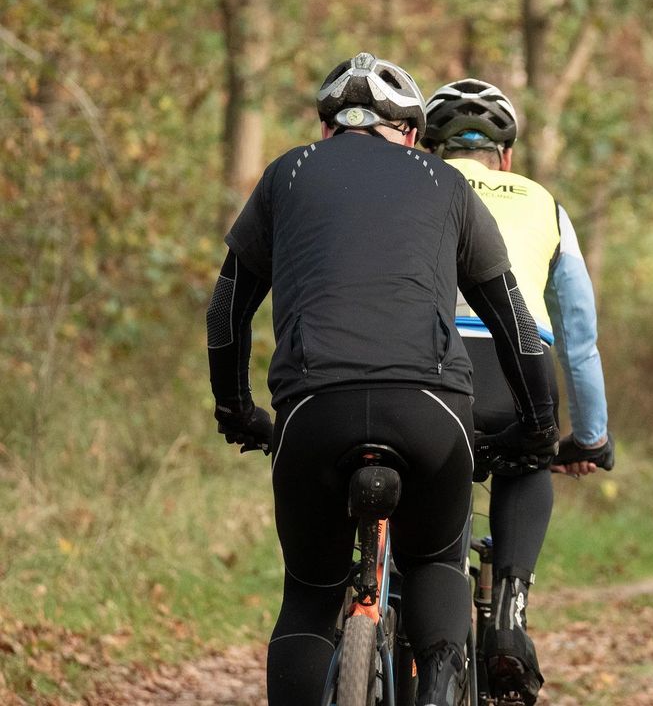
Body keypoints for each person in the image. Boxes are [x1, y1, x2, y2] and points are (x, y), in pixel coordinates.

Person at [205, 53, 559, 706]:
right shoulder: (446, 185)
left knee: (310, 596)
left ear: (326, 130)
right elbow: (515, 323)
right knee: (434, 559)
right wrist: (539, 424)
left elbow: (227, 309)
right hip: (430, 407)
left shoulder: (287, 174)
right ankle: (442, 690)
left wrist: (236, 409)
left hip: (315, 407)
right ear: (413, 135)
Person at [421, 78, 613, 706]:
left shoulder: (411, 187)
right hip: (512, 375)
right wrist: (589, 437)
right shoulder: (544, 204)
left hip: (424, 375)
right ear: (505, 157)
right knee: (529, 457)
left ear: (428, 145)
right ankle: (509, 614)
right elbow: (579, 340)